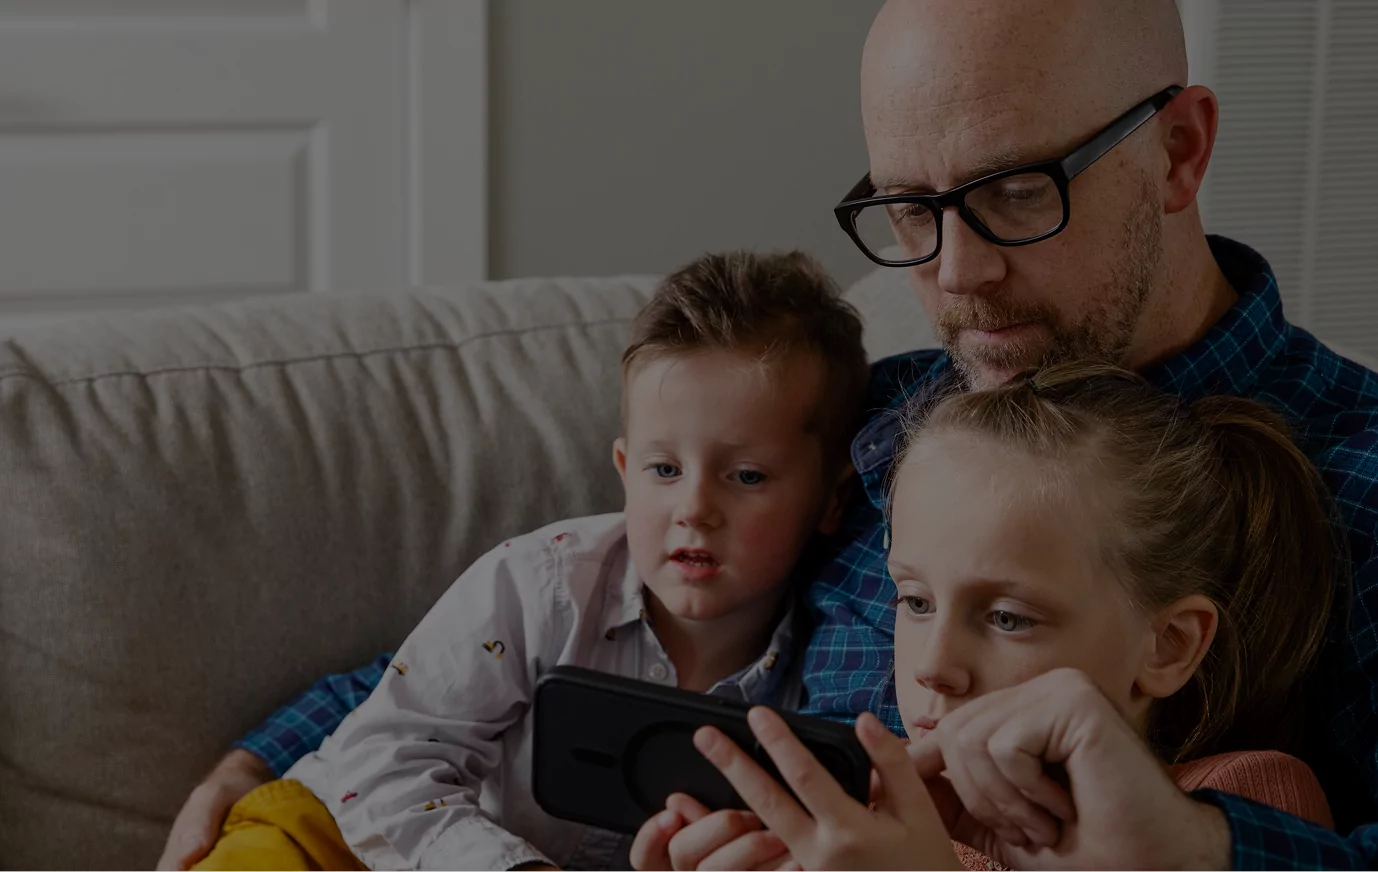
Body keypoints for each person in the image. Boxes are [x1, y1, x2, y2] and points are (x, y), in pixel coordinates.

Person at [164, 1, 1378, 869]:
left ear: (1182, 147)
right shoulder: (890, 422)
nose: (946, 276)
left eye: (1012, 194)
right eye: (907, 208)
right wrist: (287, 746)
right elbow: (617, 602)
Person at [177, 251, 872, 871]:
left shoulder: (823, 676)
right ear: (625, 471)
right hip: (331, 834)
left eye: (747, 476)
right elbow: (386, 755)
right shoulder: (541, 584)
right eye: (663, 469)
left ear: (830, 500)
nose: (694, 508)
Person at [634, 361, 1347, 872]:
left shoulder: (1234, 806)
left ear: (1166, 645)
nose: (931, 666)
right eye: (914, 602)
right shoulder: (858, 819)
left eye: (1008, 618)